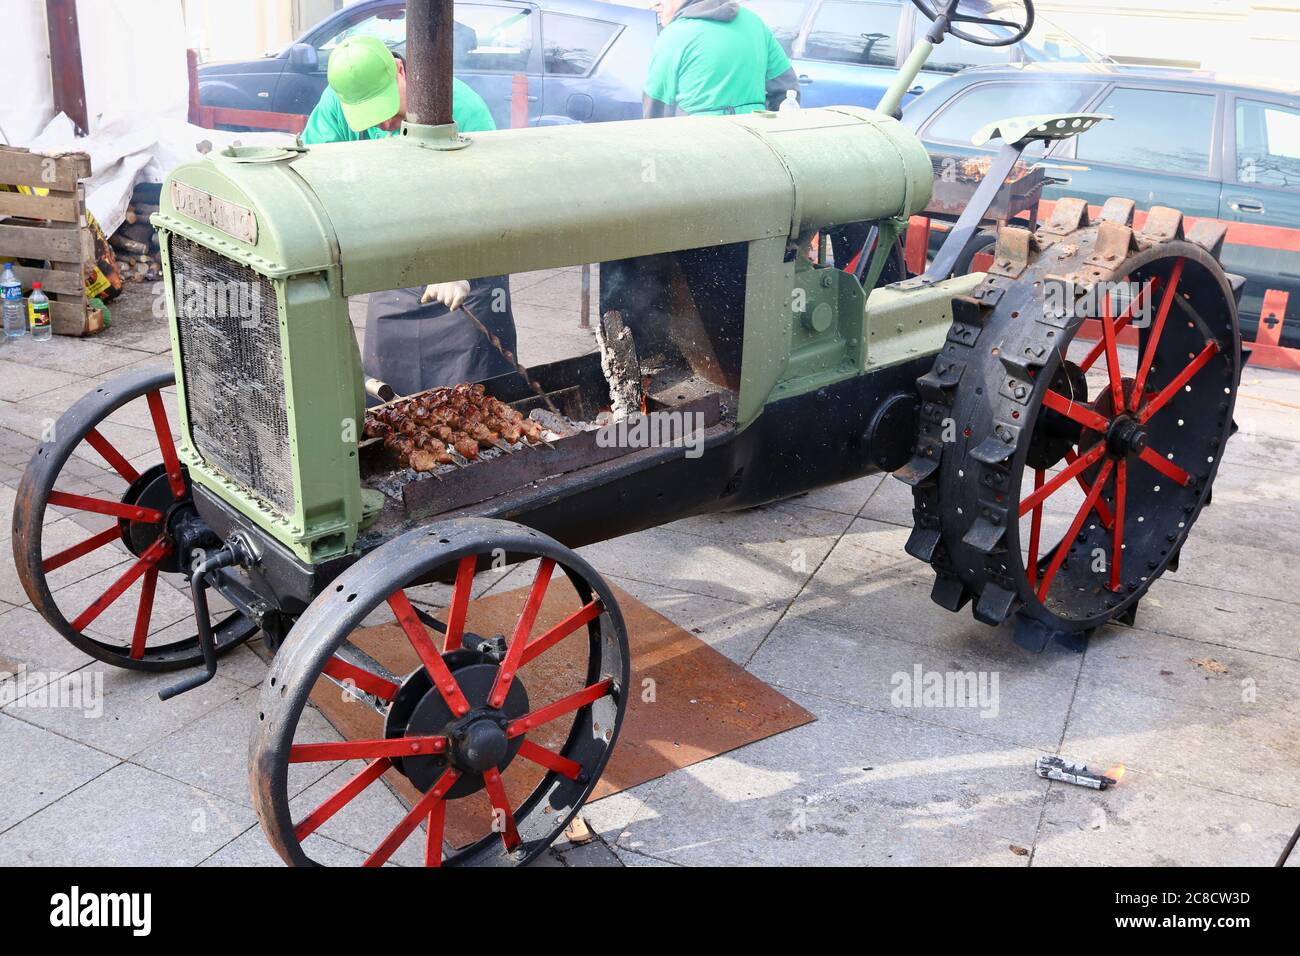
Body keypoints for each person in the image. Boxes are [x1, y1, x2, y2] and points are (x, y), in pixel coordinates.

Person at [301, 35, 519, 399]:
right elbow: (315, 176)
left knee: (473, 397)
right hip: (396, 267)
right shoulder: (335, 104)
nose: (383, 121)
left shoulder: (462, 106)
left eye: (384, 105)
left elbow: (494, 198)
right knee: (387, 397)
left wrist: (458, 261)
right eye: (368, 113)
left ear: (400, 69)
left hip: (468, 278)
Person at [643, 0, 799, 118]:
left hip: (696, 147)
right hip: (752, 143)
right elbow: (788, 90)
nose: (656, 4)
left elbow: (655, 108)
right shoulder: (755, 23)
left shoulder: (674, 35)